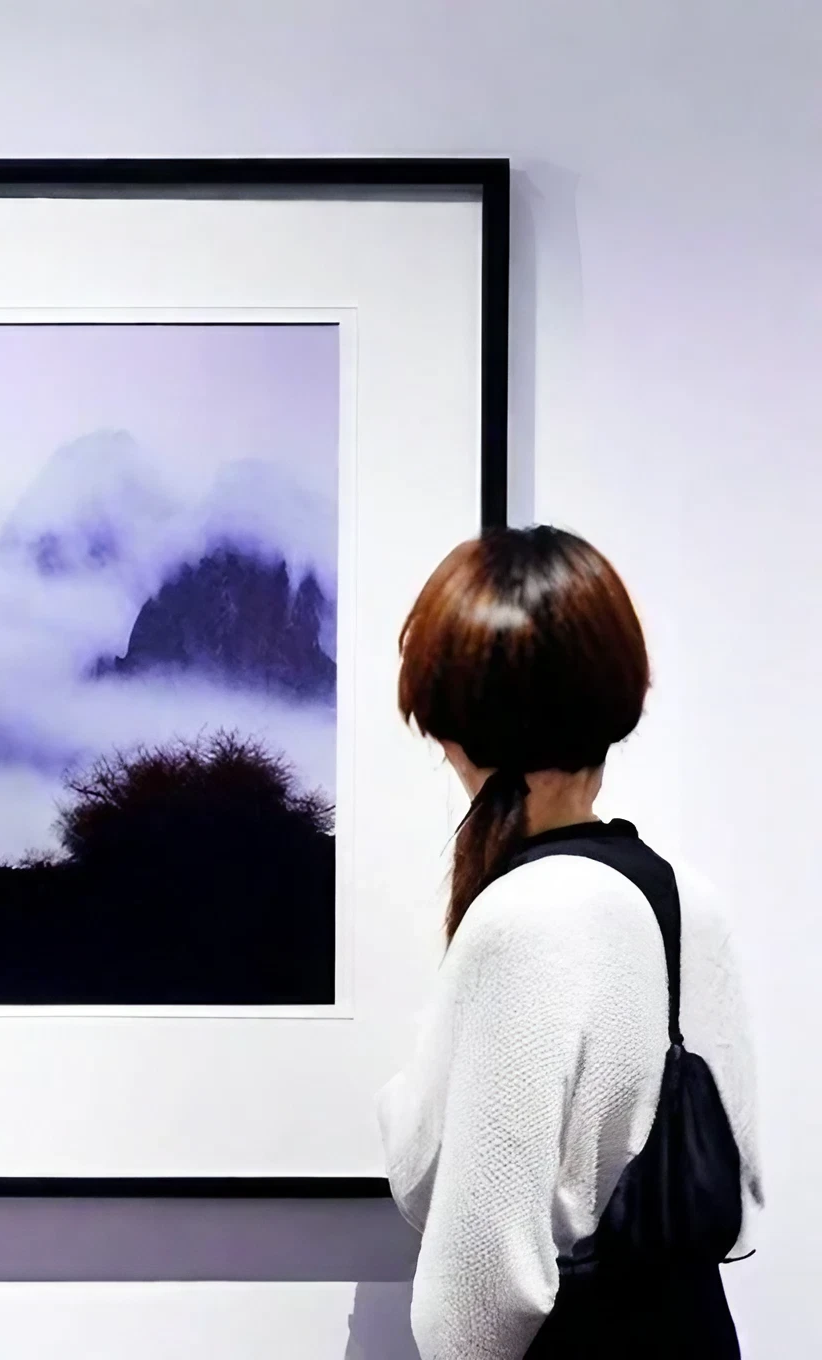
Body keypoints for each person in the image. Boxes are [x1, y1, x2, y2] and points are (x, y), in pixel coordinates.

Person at [376, 526, 764, 1358]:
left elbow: (476, 1296)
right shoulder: (692, 899)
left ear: (456, 720)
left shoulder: (523, 918)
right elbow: (735, 1197)